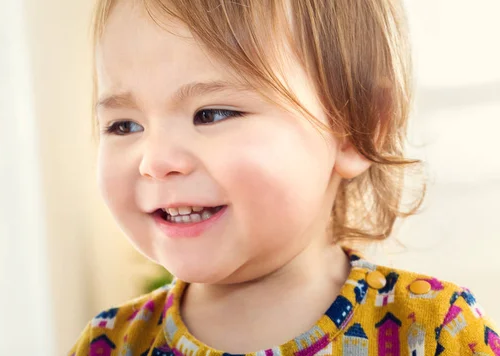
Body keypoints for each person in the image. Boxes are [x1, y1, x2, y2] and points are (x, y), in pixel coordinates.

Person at [70, 0, 498, 355]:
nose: (155, 160)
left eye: (213, 114)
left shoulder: (436, 330)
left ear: (357, 129)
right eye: (123, 126)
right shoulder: (108, 344)